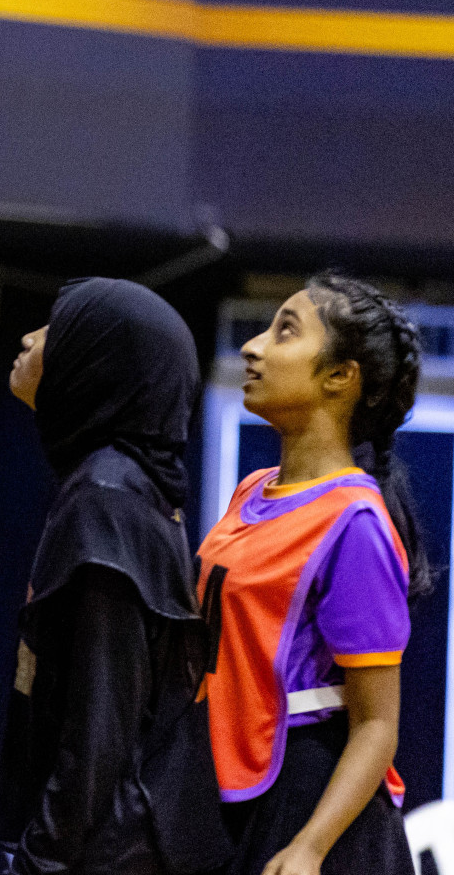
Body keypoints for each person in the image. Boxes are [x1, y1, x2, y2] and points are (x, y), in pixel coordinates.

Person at [0, 277, 230, 875]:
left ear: (95, 362)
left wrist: (39, 861)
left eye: (54, 329)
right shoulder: (121, 490)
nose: (29, 338)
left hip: (110, 854)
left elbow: (98, 730)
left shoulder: (107, 498)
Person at [199, 273, 428, 875]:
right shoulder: (251, 490)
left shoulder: (355, 522)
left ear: (339, 377)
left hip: (309, 806)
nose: (254, 347)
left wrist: (309, 848)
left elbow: (377, 725)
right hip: (230, 792)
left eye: (285, 331)